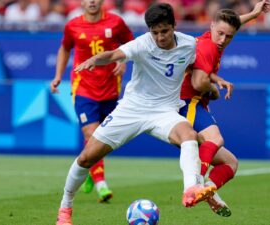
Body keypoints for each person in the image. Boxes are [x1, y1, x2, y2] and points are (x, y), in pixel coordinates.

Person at [55, 3, 216, 225]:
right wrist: (95, 59)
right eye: (155, 32)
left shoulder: (189, 44)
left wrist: (216, 81)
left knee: (189, 135)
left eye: (164, 31)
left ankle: (190, 189)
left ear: (174, 26)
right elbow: (114, 54)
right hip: (132, 110)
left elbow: (201, 64)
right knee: (86, 158)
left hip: (164, 112)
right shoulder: (143, 44)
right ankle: (65, 209)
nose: (159, 37)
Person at [179, 0, 270, 217]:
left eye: (229, 36)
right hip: (187, 102)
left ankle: (209, 192)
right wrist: (215, 89)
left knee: (230, 163)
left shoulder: (212, 38)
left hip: (192, 103)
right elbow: (198, 83)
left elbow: (232, 24)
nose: (223, 40)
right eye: (220, 33)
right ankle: (197, 184)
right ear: (211, 25)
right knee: (215, 139)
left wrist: (253, 14)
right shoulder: (208, 45)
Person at [50, 0, 134, 203]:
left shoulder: (116, 22)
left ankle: (89, 170)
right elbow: (65, 49)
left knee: (102, 140)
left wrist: (123, 63)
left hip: (110, 88)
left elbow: (132, 46)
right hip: (84, 88)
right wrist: (58, 75)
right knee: (91, 133)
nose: (92, 1)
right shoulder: (72, 25)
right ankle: (101, 183)